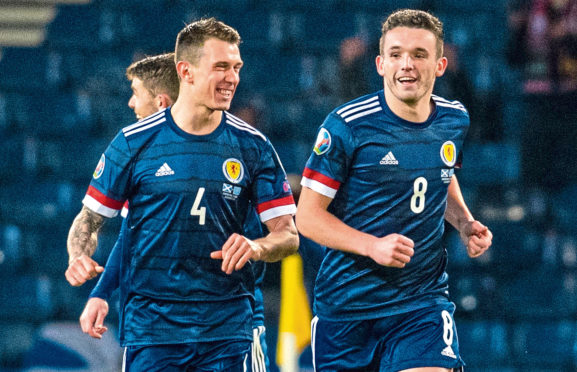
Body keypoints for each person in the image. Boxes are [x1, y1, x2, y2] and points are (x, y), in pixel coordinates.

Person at [65, 18, 298, 372]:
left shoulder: (254, 147)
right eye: (220, 67)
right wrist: (79, 256)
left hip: (228, 329)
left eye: (236, 67)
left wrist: (256, 247)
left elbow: (288, 235)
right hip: (153, 331)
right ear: (185, 71)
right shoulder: (132, 144)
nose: (232, 77)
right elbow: (91, 219)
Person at [295, 9, 492, 372]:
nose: (408, 65)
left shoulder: (453, 119)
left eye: (419, 55)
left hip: (421, 304)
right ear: (380, 64)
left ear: (440, 65)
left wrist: (464, 222)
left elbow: (442, 172)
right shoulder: (346, 125)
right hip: (347, 310)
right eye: (397, 54)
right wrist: (372, 246)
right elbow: (307, 217)